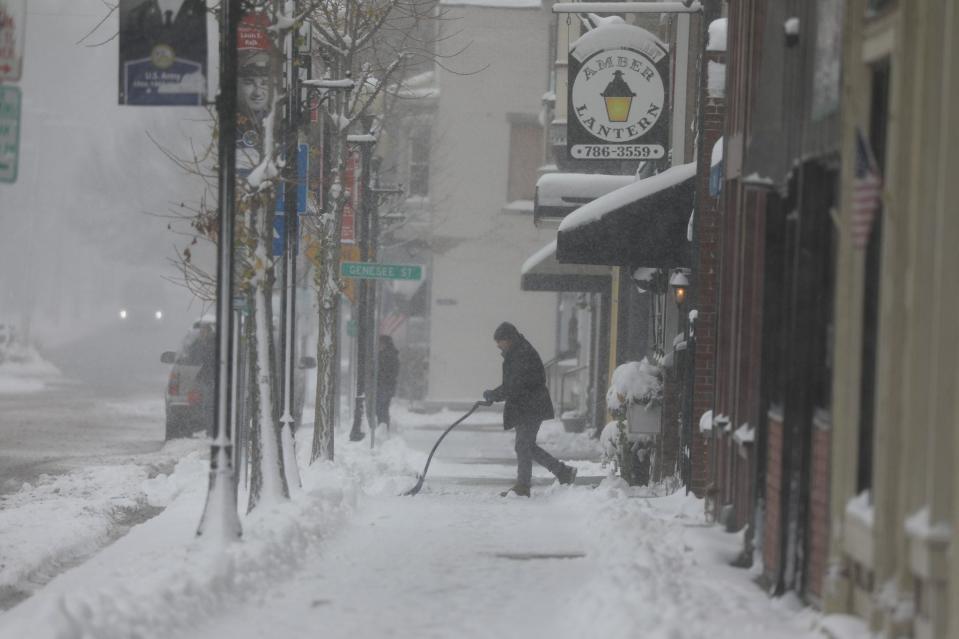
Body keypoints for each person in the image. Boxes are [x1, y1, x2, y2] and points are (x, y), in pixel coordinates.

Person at [483, 322, 577, 497]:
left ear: (509, 339)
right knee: (526, 446)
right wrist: (496, 394)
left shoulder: (521, 354)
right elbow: (513, 384)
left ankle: (524, 486)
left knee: (523, 445)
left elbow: (515, 385)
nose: (498, 345)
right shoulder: (517, 352)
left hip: (531, 406)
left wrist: (495, 395)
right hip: (527, 405)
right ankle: (563, 472)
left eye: (500, 341)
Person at [376, 335, 400, 430]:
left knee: (381, 408)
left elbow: (385, 371)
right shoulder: (392, 354)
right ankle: (383, 426)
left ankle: (382, 427)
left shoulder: (386, 355)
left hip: (384, 385)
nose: (379, 345)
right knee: (383, 408)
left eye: (381, 343)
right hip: (388, 386)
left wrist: (380, 377)